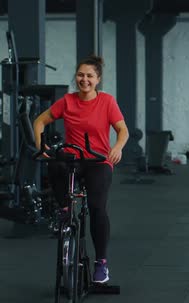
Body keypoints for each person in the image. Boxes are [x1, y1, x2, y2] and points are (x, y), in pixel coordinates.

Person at [33, 55, 129, 283]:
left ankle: (101, 263)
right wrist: (41, 146)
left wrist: (118, 147)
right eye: (80, 75)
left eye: (89, 76)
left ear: (97, 79)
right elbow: (39, 122)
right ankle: (65, 210)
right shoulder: (67, 101)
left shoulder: (107, 101)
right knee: (54, 162)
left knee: (97, 208)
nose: (84, 80)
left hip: (98, 161)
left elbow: (122, 129)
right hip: (73, 159)